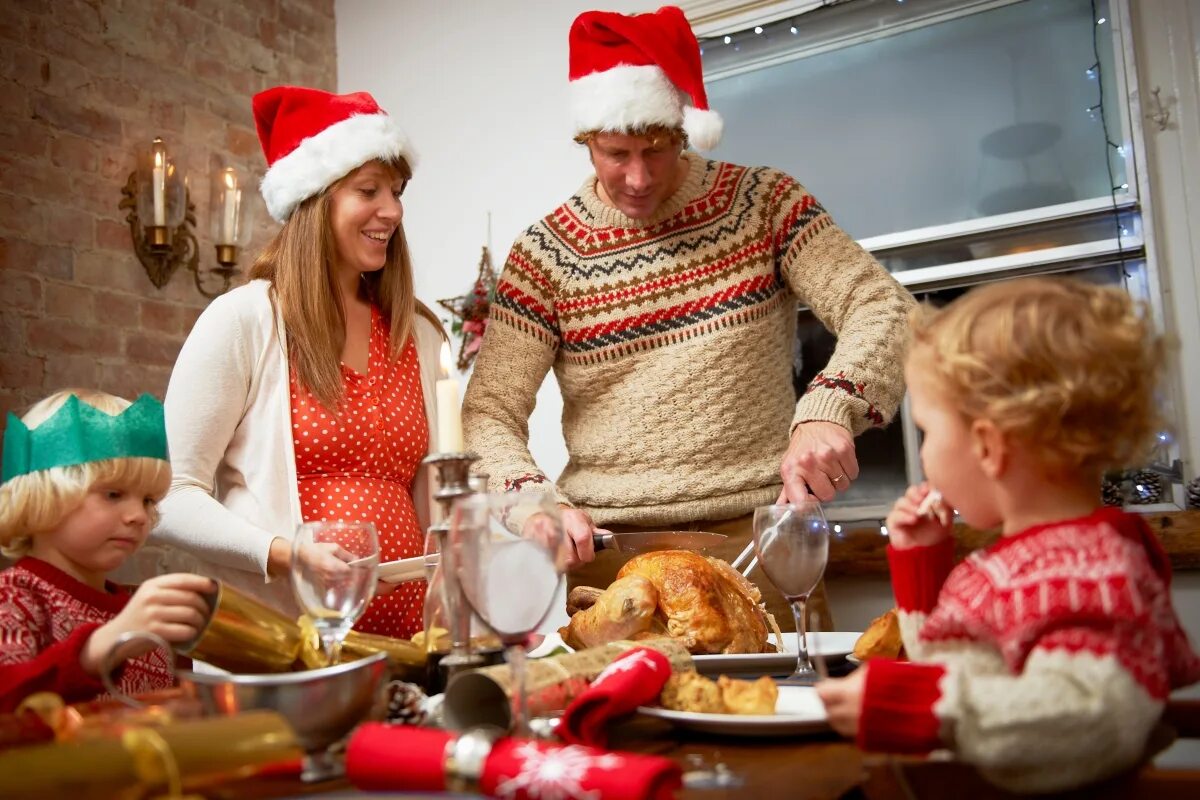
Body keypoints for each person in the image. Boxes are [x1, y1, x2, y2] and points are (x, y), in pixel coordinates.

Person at [461, 6, 914, 628]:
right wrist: (532, 501)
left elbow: (883, 305)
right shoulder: (546, 254)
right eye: (615, 152)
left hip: (762, 545)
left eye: (658, 149)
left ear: (684, 128)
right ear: (585, 138)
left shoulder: (765, 204)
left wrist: (829, 407)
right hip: (610, 563)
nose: (638, 177)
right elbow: (489, 411)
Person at [815, 277, 1200, 793]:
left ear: (989, 448)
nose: (923, 453)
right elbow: (961, 669)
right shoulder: (1038, 559)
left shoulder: (1086, 572)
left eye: (929, 431)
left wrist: (913, 705)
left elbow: (1087, 718)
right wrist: (924, 564)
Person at [152, 87, 443, 639]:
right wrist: (286, 554)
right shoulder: (246, 319)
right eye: (369, 190)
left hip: (411, 641)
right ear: (314, 197)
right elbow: (169, 493)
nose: (393, 210)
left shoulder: (416, 333)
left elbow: (434, 497)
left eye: (397, 192)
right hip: (286, 639)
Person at [0, 390, 213, 711]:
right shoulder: (13, 598)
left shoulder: (135, 611)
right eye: (113, 494)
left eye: (148, 500)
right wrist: (97, 650)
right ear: (43, 494)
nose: (139, 516)